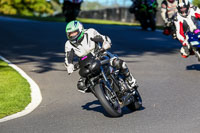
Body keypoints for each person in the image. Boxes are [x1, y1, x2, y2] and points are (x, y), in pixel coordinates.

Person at [64, 20, 138, 93]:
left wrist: (106, 44)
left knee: (118, 63)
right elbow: (68, 57)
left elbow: (104, 38)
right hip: (86, 64)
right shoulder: (68, 44)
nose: (72, 35)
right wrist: (69, 65)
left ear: (80, 30)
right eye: (70, 34)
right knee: (81, 85)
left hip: (100, 55)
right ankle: (102, 93)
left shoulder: (90, 32)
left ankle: (130, 79)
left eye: (74, 32)